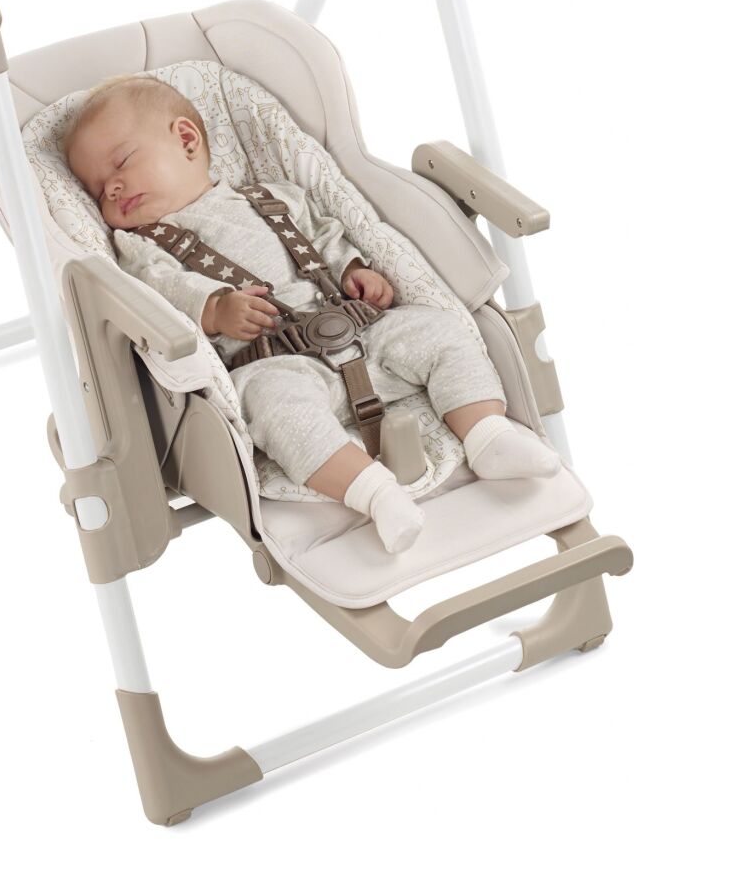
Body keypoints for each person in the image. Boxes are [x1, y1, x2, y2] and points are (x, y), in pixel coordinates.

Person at [63, 74, 560, 554]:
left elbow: (325, 237)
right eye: (97, 188)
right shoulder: (141, 244)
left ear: (187, 140)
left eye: (121, 162)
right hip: (275, 363)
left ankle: (488, 436)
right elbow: (159, 289)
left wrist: (355, 271)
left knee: (441, 330)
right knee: (269, 403)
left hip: (361, 333)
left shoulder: (274, 197)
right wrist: (213, 309)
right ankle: (375, 494)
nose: (112, 188)